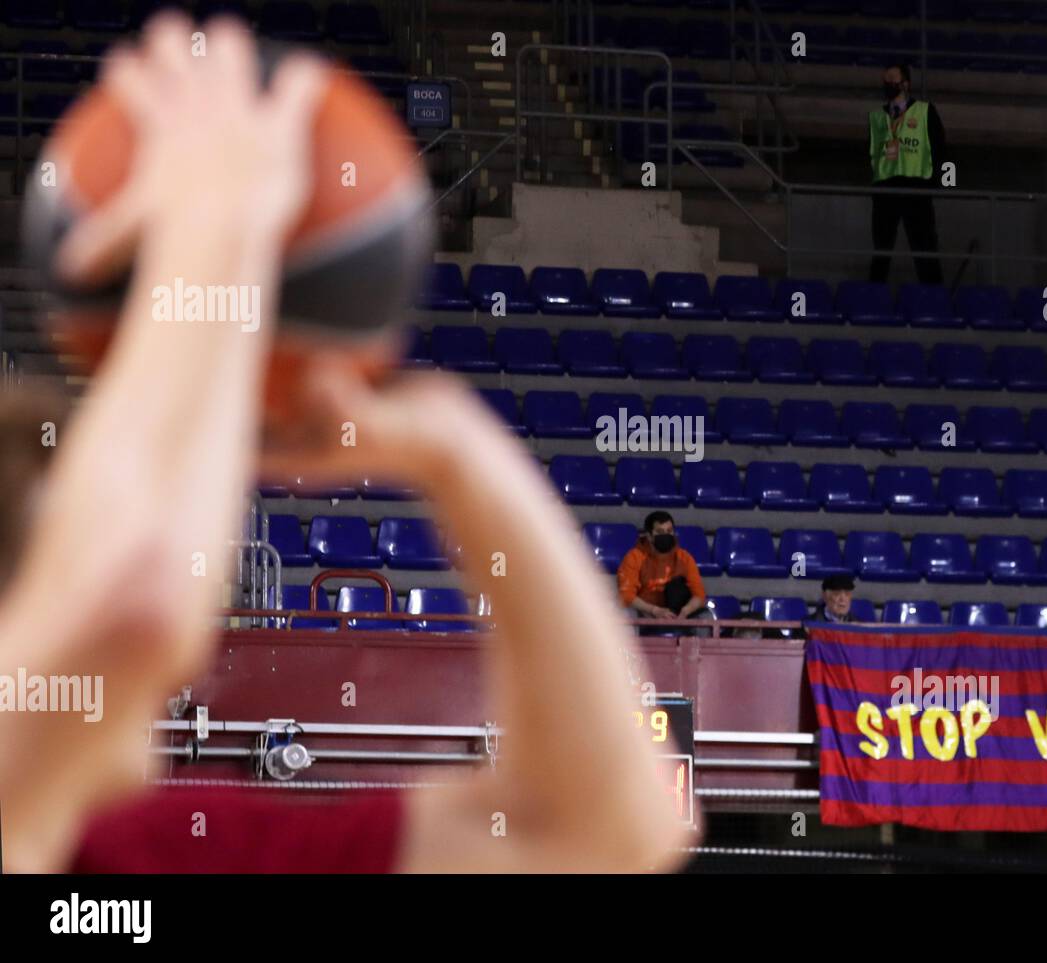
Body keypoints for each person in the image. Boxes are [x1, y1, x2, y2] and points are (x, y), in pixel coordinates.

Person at [0, 14, 693, 873]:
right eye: (53, 565)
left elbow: (611, 827)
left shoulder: (156, 851)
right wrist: (216, 230)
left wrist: (457, 450)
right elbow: (131, 609)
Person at [868, 63, 947, 286]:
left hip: (916, 190)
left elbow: (940, 148)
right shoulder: (876, 117)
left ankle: (935, 301)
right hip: (886, 192)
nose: (887, 84)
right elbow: (873, 154)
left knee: (925, 250)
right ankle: (872, 298)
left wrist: (933, 183)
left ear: (906, 84)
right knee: (881, 251)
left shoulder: (925, 111)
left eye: (892, 79)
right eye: (885, 80)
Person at [617, 511, 710, 633]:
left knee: (705, 617)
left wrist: (686, 610)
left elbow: (699, 595)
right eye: (660, 532)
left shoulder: (685, 558)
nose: (666, 535)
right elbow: (627, 596)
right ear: (649, 536)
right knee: (625, 613)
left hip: (677, 613)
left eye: (669, 531)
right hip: (645, 612)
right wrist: (654, 610)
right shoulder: (633, 557)